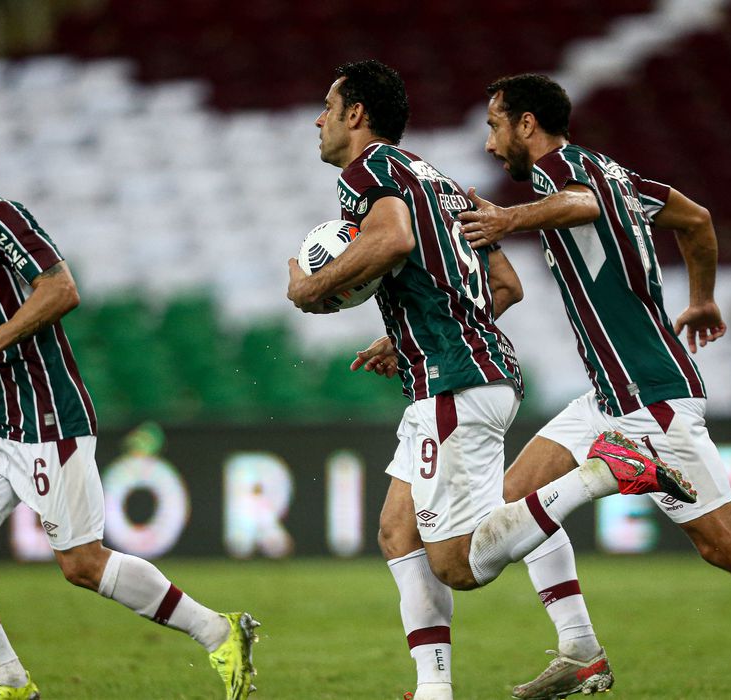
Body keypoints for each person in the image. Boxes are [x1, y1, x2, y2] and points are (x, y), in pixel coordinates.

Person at [455, 73, 731, 700]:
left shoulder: (565, 173)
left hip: (650, 396)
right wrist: (703, 298)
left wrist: (508, 218)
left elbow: (584, 205)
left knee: (723, 541)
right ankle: (581, 652)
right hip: (608, 395)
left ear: (528, 123)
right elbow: (696, 219)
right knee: (517, 504)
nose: (491, 144)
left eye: (496, 126)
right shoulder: (621, 177)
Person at [286, 60, 697, 700]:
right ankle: (434, 689)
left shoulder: (369, 171)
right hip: (467, 371)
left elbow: (391, 240)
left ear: (356, 115)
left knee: (458, 565)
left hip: (453, 381)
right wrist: (408, 336)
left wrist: (313, 288)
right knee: (398, 530)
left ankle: (603, 474)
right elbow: (505, 284)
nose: (319, 120)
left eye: (328, 106)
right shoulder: (441, 183)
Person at [0, 116, 259, 700]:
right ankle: (9, 679)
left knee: (82, 563)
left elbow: (63, 289)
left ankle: (218, 631)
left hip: (51, 416)